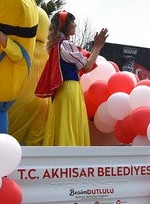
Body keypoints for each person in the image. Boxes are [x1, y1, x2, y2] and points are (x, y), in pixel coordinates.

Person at [36, 10, 108, 146]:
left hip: (66, 89)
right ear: (64, 25)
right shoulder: (65, 45)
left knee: (65, 122)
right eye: (72, 22)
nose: (75, 25)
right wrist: (98, 47)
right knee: (70, 123)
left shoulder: (59, 44)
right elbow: (87, 66)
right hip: (70, 88)